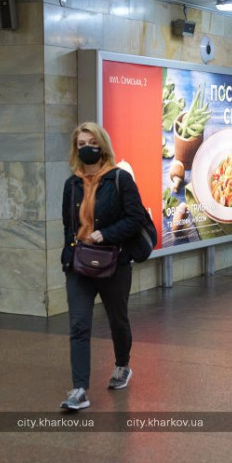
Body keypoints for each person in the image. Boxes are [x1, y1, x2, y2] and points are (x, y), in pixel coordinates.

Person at [60, 122, 147, 410]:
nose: (86, 148)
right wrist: (68, 257)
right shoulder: (71, 184)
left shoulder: (119, 179)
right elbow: (68, 225)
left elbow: (136, 219)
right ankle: (79, 390)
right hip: (80, 264)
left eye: (91, 143)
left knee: (117, 320)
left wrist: (105, 234)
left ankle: (122, 364)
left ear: (102, 146)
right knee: (79, 324)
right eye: (81, 144)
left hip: (114, 263)